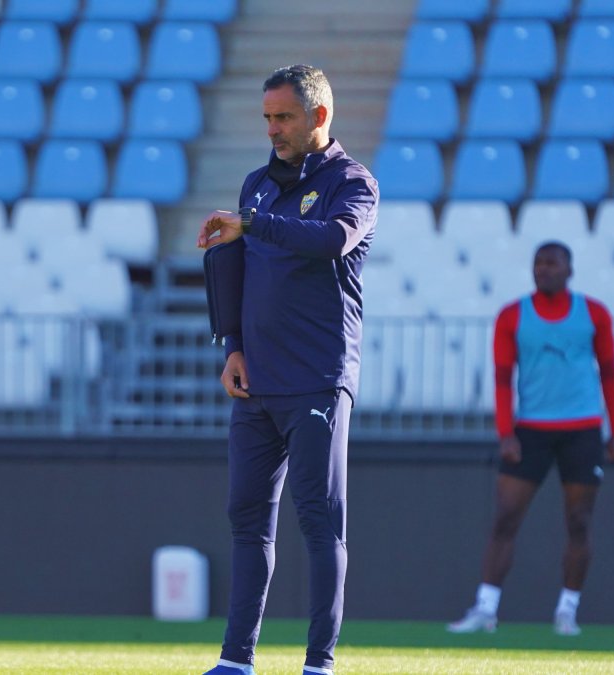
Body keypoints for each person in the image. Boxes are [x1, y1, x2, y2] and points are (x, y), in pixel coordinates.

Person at [196, 64, 378, 675]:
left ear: (319, 116)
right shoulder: (256, 184)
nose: (273, 129)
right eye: (268, 118)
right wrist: (232, 346)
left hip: (318, 379)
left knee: (319, 521)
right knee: (247, 520)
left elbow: (332, 240)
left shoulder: (353, 183)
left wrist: (252, 223)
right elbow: (235, 265)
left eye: (284, 118)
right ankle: (235, 661)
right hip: (256, 383)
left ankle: (318, 664)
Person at [448, 241, 614, 637]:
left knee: (578, 521)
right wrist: (505, 433)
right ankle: (485, 609)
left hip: (582, 430)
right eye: (537, 263)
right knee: (505, 518)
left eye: (551, 263)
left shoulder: (594, 313)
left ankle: (567, 612)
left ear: (569, 270)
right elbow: (501, 378)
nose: (543, 269)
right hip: (531, 430)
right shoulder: (512, 315)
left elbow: (610, 372)